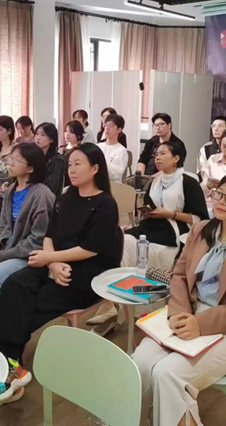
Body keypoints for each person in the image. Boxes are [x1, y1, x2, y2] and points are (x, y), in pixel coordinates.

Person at [132, 171, 226, 426]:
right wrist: (178, 312)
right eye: (219, 194)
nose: (221, 201)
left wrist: (200, 324)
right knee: (140, 363)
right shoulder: (201, 230)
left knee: (168, 373)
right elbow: (179, 274)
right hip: (186, 315)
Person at [0, 143, 122, 408]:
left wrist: (52, 260)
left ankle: (9, 364)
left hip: (85, 272)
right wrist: (51, 262)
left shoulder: (105, 204)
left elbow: (90, 249)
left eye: (78, 164)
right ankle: (12, 363)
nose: (71, 170)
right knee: (14, 285)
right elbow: (48, 236)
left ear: (95, 168)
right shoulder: (65, 198)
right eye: (70, 164)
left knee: (30, 306)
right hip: (55, 263)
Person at [88, 141, 209, 333]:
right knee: (120, 242)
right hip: (152, 226)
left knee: (143, 250)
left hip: (175, 231)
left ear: (176, 158)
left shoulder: (188, 182)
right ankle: (114, 303)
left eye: (162, 154)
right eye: (156, 154)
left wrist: (171, 214)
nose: (157, 158)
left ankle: (122, 306)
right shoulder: (154, 181)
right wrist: (149, 212)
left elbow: (200, 219)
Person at [0, 143, 55, 347]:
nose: (10, 162)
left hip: (28, 257)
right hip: (6, 251)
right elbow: (3, 224)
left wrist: (2, 256)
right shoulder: (11, 190)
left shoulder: (42, 196)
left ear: (30, 168)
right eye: (11, 157)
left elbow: (37, 241)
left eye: (16, 159)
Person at [137, 113, 187, 177]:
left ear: (169, 125)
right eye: (155, 125)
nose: (158, 128)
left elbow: (175, 167)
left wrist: (152, 179)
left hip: (164, 178)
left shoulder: (178, 144)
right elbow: (142, 160)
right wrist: (140, 176)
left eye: (161, 124)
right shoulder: (151, 141)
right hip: (146, 176)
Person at [34, 122, 66, 197]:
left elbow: (53, 188)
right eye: (37, 134)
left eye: (43, 135)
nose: (38, 138)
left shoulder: (57, 160)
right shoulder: (34, 157)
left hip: (47, 198)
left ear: (51, 139)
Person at [97, 114, 129, 183]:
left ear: (119, 130)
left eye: (111, 125)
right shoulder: (98, 147)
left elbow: (115, 174)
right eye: (106, 125)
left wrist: (99, 163)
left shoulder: (121, 151)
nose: (107, 128)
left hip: (112, 186)